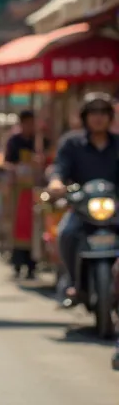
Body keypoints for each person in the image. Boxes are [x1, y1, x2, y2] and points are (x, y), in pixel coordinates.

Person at [47, 92, 119, 306]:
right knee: (66, 233)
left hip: (114, 208)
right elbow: (58, 170)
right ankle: (73, 281)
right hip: (81, 208)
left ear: (110, 117)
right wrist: (56, 183)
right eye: (93, 112)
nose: (98, 118)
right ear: (85, 117)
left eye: (103, 112)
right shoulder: (71, 143)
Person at [2, 110, 49, 279]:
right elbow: (6, 162)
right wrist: (17, 168)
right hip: (19, 190)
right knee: (18, 227)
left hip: (37, 190)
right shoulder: (14, 141)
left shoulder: (42, 141)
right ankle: (17, 263)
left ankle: (32, 265)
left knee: (36, 227)